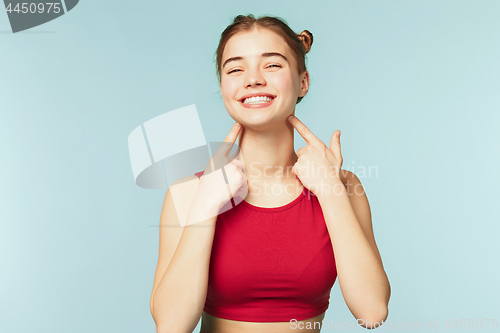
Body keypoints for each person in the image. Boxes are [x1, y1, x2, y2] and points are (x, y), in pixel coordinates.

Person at [150, 14, 391, 333]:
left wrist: (330, 191)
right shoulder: (187, 194)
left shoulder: (343, 187)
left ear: (303, 81)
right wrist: (205, 205)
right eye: (235, 69)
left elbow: (372, 312)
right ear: (223, 86)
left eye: (272, 65)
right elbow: (171, 326)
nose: (252, 79)